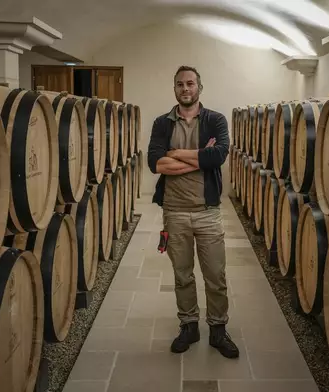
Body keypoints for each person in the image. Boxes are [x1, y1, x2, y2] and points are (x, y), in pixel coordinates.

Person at [147, 65, 239, 358]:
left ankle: (218, 328)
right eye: (179, 84)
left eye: (190, 83)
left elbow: (218, 155)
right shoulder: (163, 123)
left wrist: (175, 154)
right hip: (174, 211)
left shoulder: (215, 120)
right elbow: (155, 163)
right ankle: (188, 325)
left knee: (215, 274)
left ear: (200, 87)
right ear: (174, 89)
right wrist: (200, 159)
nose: (185, 89)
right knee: (182, 274)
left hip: (207, 211)